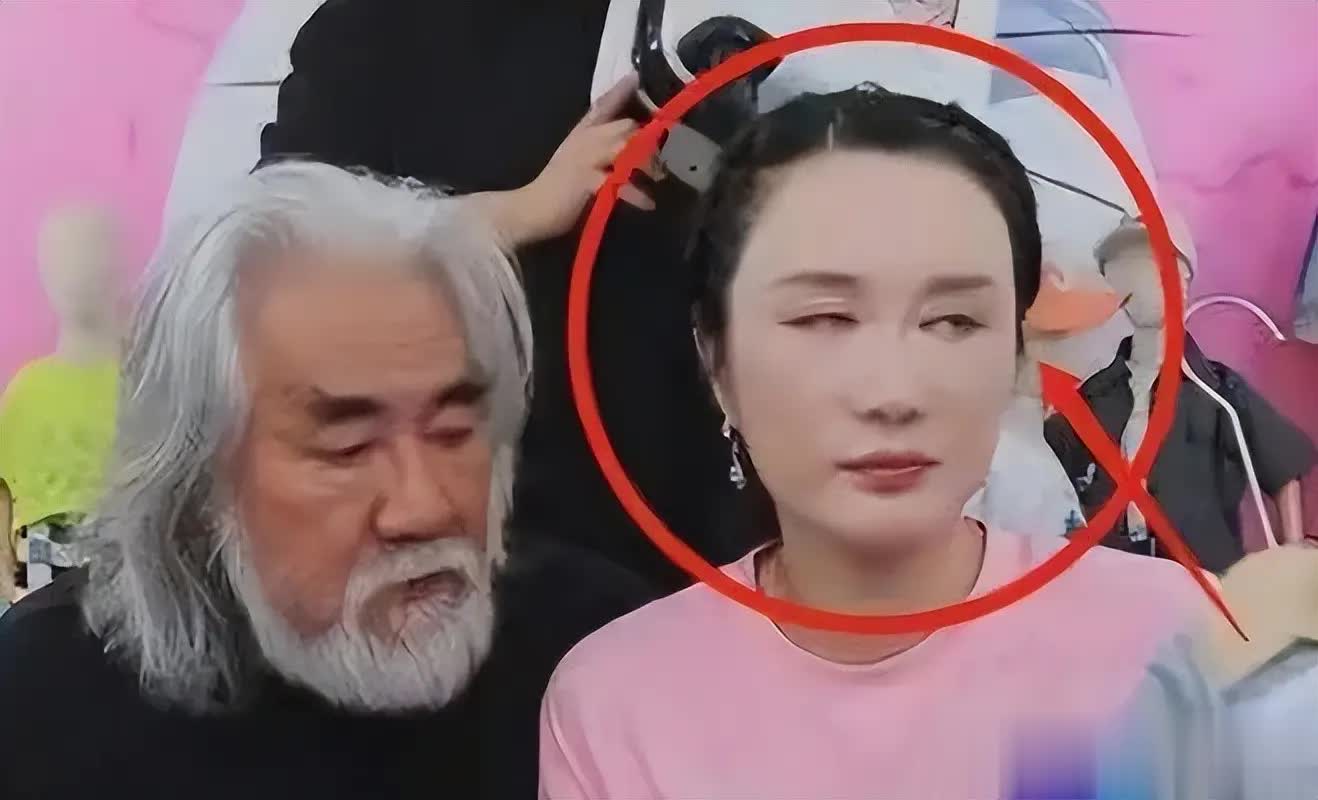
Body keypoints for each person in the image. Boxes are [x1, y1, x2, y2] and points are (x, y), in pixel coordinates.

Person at [537, 86, 1208, 799]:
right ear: (718, 364)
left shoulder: (1173, 644)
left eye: (952, 321)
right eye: (825, 319)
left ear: (1014, 355)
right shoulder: (619, 702)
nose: (893, 393)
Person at [0, 161, 644, 799]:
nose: (424, 507)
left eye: (452, 432)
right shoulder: (40, 710)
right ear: (195, 487)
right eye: (348, 448)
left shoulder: (605, 660)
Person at [258, 0, 749, 595]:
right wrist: (520, 211)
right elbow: (281, 261)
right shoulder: (374, 30)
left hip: (723, 485)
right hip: (509, 521)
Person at [1045, 216, 1316, 572]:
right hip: (1114, 574)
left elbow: (1282, 463)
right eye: (1122, 273)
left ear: (1182, 284)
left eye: (1149, 271)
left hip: (1203, 574)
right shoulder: (1092, 398)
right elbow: (1049, 473)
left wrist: (1291, 555)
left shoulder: (1217, 392)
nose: (1133, 286)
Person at [0, 205, 121, 601]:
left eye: (90, 252)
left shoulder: (144, 383)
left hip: (120, 559)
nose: (76, 272)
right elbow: (3, 485)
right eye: (61, 257)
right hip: (39, 565)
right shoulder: (27, 389)